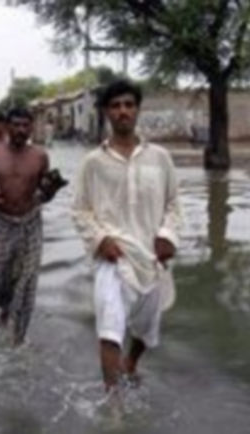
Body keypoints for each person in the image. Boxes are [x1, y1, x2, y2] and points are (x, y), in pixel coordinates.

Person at [71, 80, 182, 392]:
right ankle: (114, 405)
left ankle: (131, 363)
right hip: (113, 257)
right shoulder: (93, 162)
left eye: (128, 105)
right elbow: (80, 210)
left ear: (137, 110)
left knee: (146, 329)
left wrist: (168, 235)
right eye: (116, 105)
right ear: (107, 112)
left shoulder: (160, 158)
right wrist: (101, 240)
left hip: (150, 256)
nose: (123, 111)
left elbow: (174, 203)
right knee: (110, 329)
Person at [0, 107, 50, 346]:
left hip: (30, 222)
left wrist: (50, 191)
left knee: (27, 283)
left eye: (25, 125)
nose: (20, 130)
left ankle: (19, 339)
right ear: (7, 127)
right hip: (2, 221)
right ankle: (4, 309)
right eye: (16, 125)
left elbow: (45, 191)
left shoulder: (40, 156)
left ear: (31, 128)